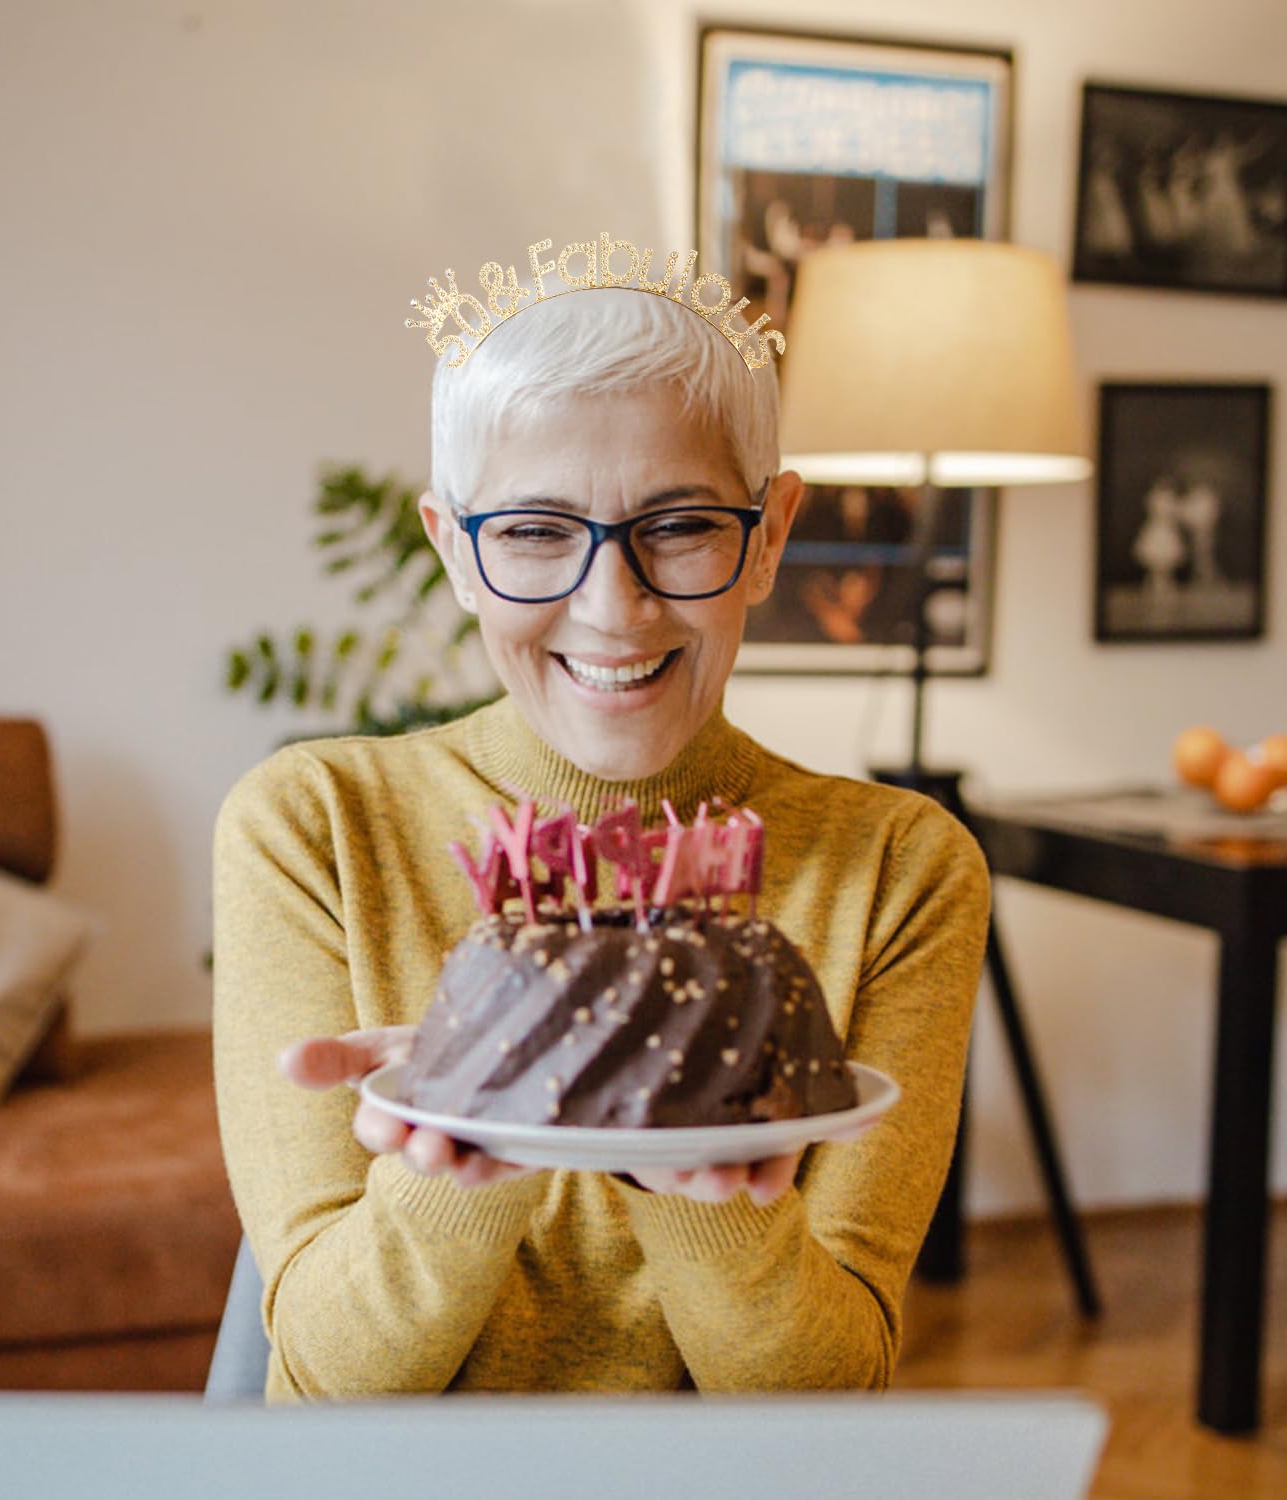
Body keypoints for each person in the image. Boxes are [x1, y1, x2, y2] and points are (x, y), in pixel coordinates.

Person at [212, 278, 990, 1400]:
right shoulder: (315, 827)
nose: (612, 607)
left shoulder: (900, 869)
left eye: (678, 527)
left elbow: (827, 1403)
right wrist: (475, 1130)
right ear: (453, 546)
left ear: (768, 538)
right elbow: (329, 1382)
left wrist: (688, 1164)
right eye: (534, 531)